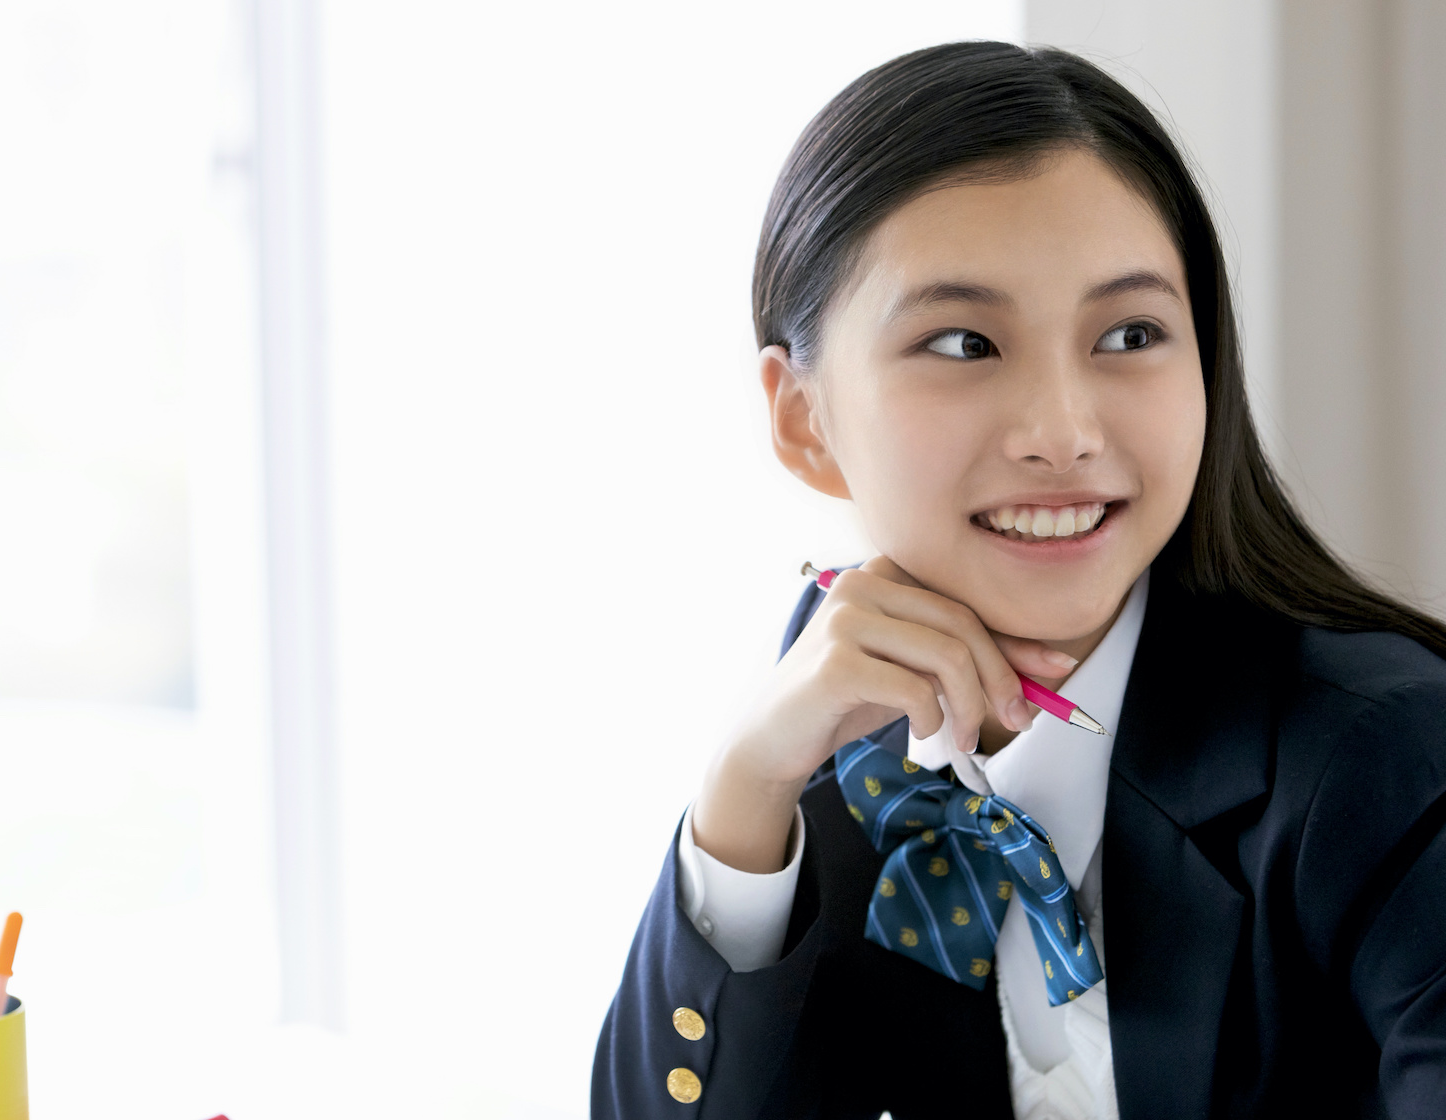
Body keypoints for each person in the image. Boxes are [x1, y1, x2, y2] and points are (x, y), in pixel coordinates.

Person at [591, 40, 1446, 1120]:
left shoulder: (1388, 754)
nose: (1063, 432)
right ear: (805, 419)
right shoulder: (838, 714)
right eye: (964, 342)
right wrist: (743, 789)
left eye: (1130, 334)